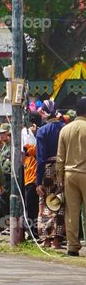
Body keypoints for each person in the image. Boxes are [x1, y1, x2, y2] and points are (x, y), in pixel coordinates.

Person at [57, 97, 86, 257]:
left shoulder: (65, 129)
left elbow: (59, 157)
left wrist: (59, 178)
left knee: (71, 212)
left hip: (69, 174)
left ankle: (72, 246)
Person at [36, 102, 66, 249]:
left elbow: (40, 158)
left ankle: (46, 239)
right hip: (63, 169)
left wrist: (38, 181)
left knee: (47, 203)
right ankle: (57, 241)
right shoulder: (64, 128)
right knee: (60, 204)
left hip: (47, 169)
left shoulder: (42, 131)